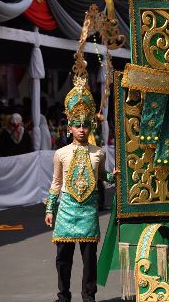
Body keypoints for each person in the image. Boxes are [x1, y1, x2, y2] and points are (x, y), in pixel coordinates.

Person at [44, 77, 117, 302]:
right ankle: (63, 296)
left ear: (91, 126)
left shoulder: (99, 152)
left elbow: (100, 176)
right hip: (66, 209)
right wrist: (50, 209)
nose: (82, 129)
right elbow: (56, 183)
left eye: (86, 125)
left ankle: (89, 297)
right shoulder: (61, 154)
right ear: (70, 126)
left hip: (88, 210)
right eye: (77, 125)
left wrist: (111, 177)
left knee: (89, 259)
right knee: (63, 259)